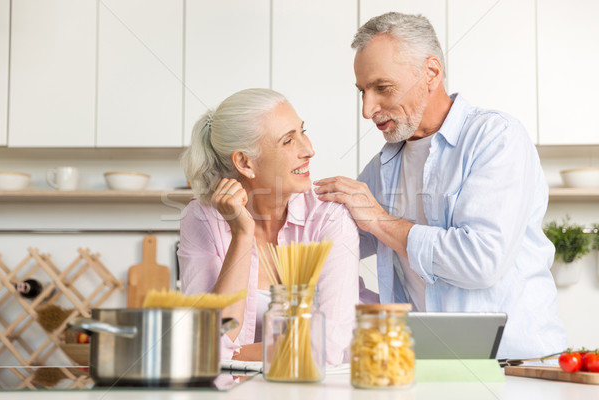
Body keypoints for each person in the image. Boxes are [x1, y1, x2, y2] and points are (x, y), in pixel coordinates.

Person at [314, 12, 567, 359]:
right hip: (424, 363)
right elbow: (336, 243)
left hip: (512, 365)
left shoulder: (495, 138)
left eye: (382, 88)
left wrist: (378, 220)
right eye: (362, 92)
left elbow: (481, 261)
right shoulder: (383, 166)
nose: (367, 109)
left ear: (431, 73)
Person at [178, 88, 359, 364]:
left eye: (302, 131)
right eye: (288, 141)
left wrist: (233, 356)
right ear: (244, 162)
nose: (309, 149)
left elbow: (329, 346)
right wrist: (241, 234)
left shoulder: (329, 218)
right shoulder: (201, 219)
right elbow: (206, 343)